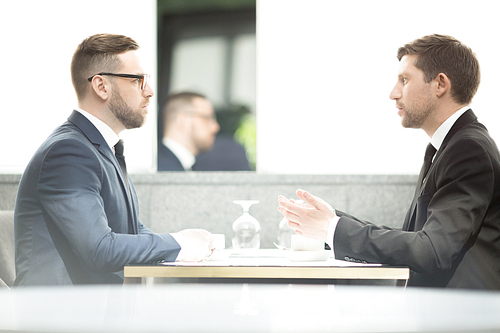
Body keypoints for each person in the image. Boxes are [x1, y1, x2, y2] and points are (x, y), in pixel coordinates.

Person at [278, 34, 500, 289]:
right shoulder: (445, 147)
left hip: (462, 320)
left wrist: (334, 229)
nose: (393, 93)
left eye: (404, 80)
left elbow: (432, 251)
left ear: (440, 84)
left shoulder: (468, 150)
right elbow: (413, 239)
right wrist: (331, 220)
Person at [14, 34, 215, 286]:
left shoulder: (101, 147)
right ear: (101, 86)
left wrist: (188, 243)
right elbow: (100, 249)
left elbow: (130, 230)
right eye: (136, 80)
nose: (149, 91)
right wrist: (179, 243)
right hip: (62, 318)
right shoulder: (68, 151)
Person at [158, 92, 220, 171]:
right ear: (183, 120)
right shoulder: (164, 169)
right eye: (207, 118)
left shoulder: (168, 164)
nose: (215, 127)